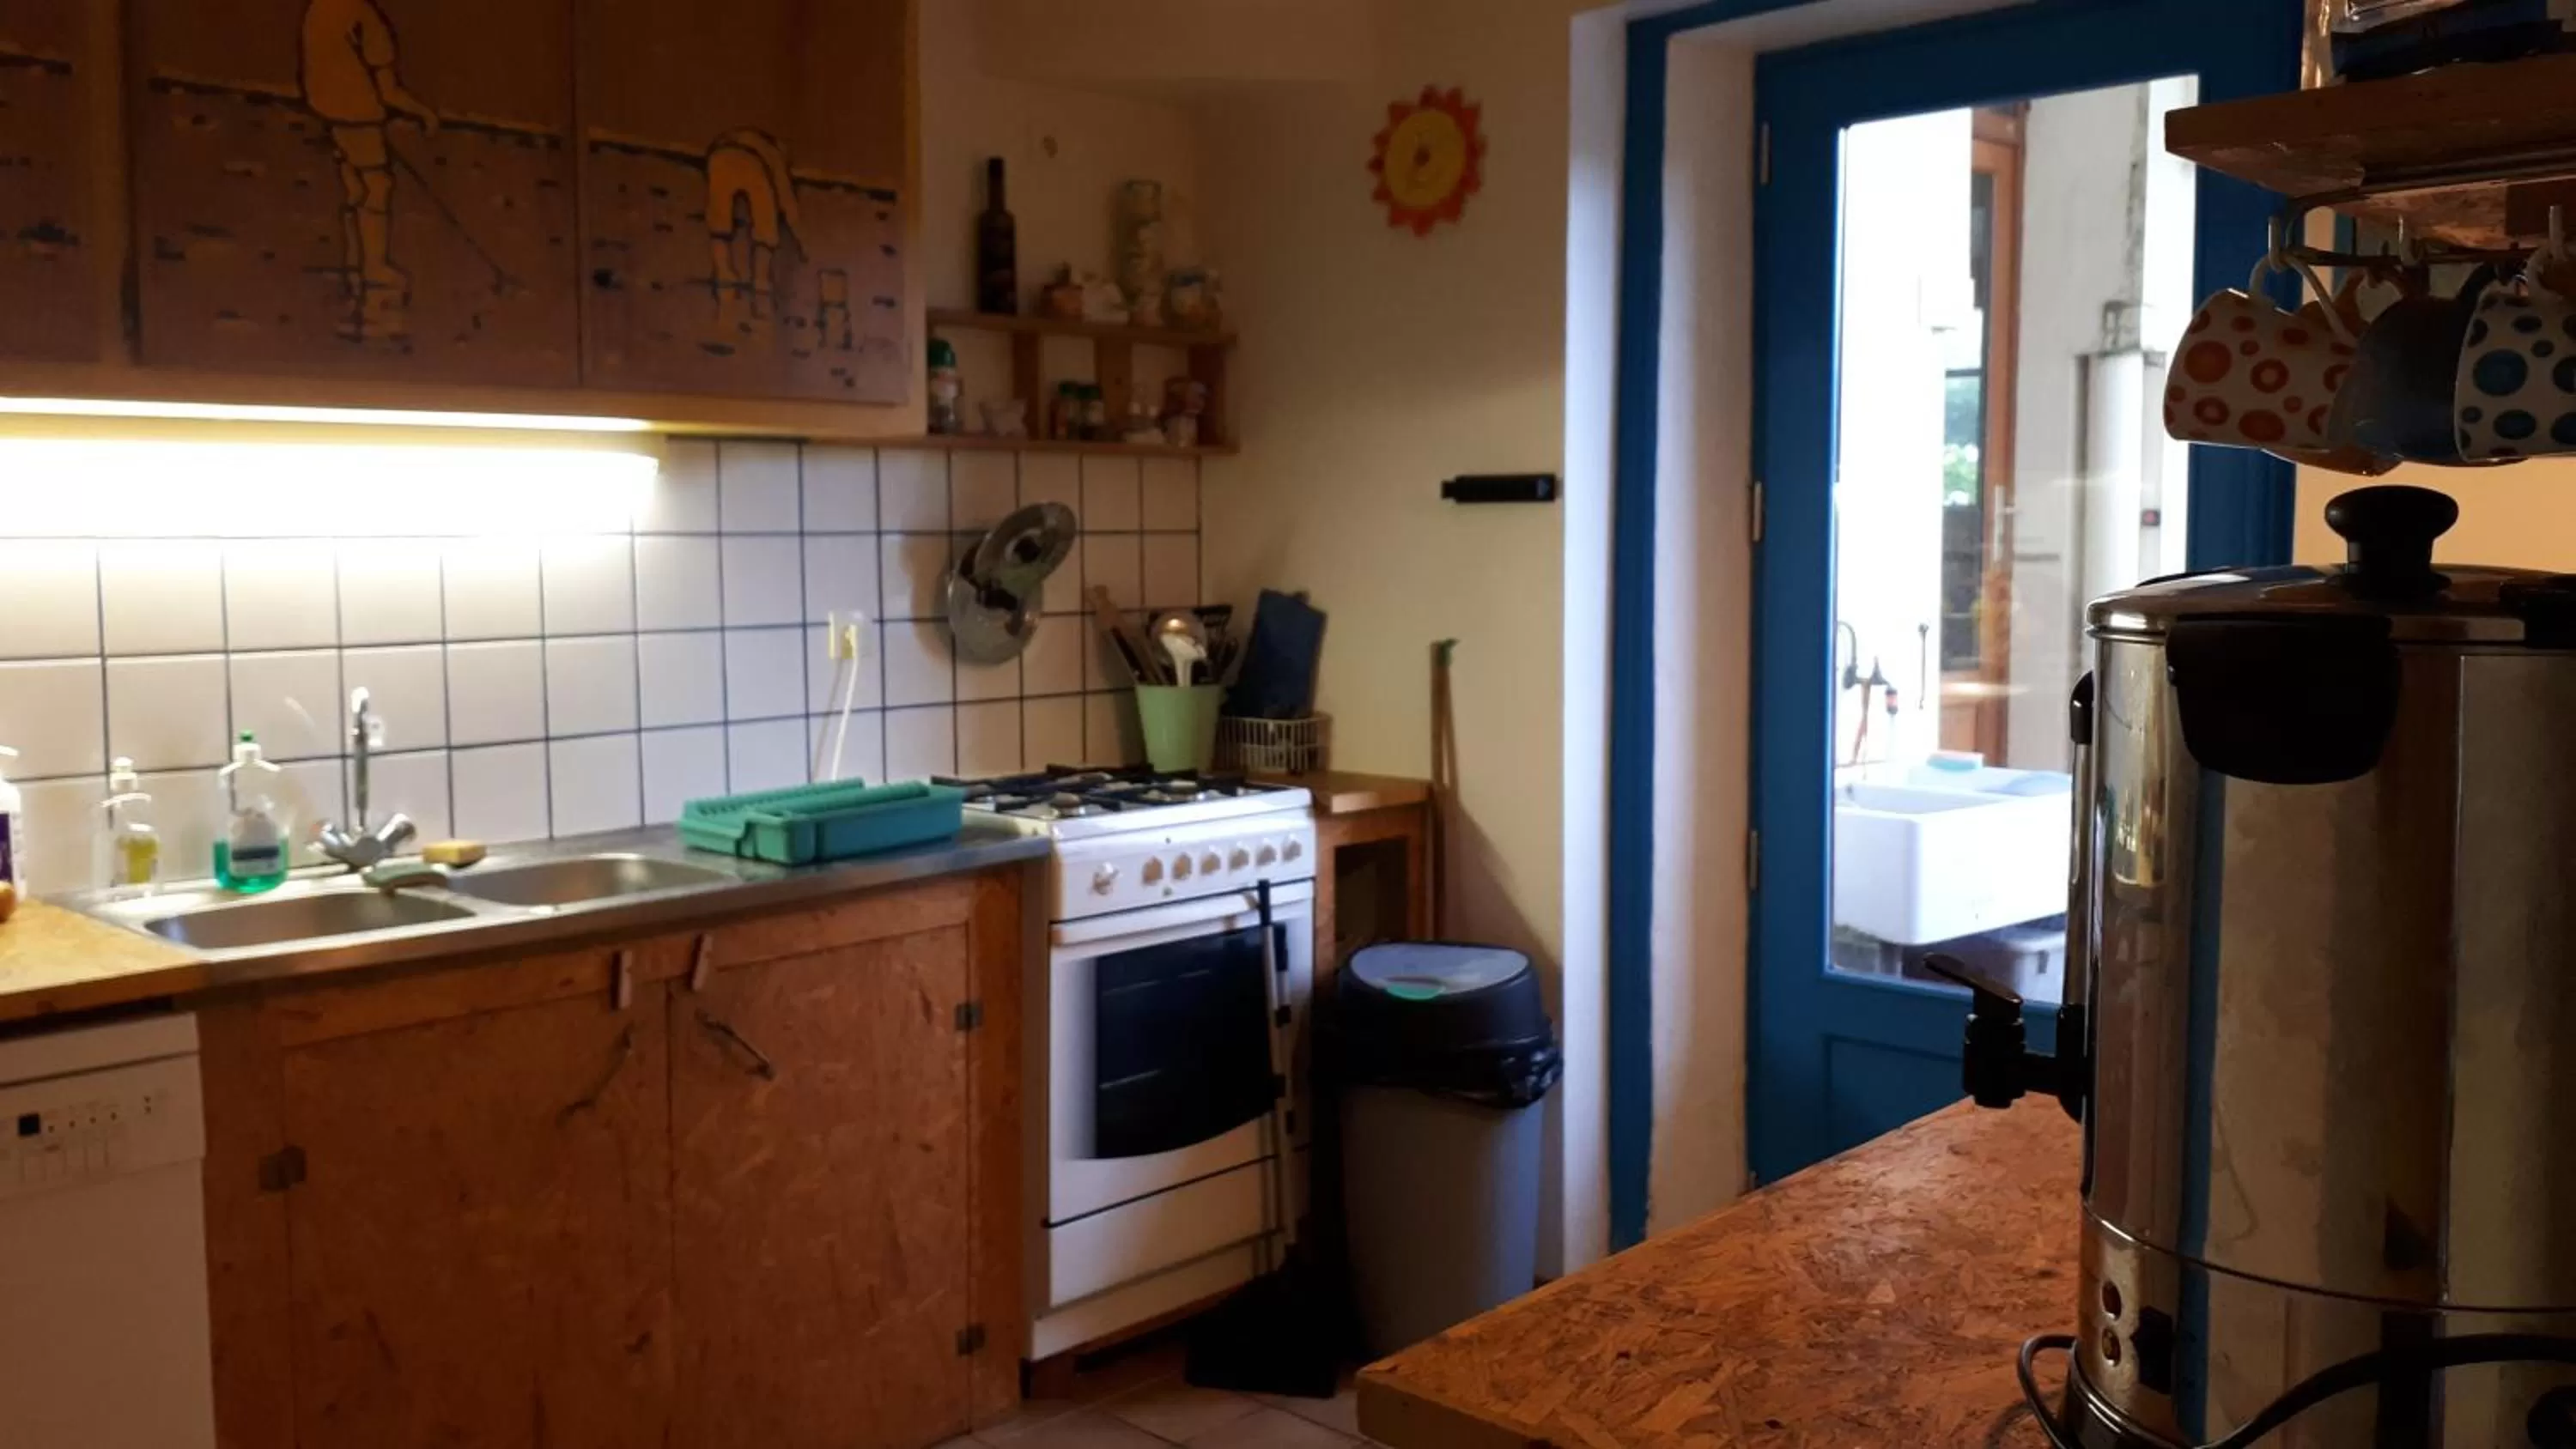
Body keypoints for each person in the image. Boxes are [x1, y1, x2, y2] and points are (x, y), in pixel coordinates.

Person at [300, 0, 437, 327]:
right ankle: (374, 266)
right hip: (359, 114)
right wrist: (424, 114)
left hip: (328, 110)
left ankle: (354, 263)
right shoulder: (365, 16)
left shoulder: (320, 8)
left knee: (354, 187)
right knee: (377, 186)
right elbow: (389, 91)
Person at [705, 128, 799, 323]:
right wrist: (801, 239)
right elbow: (788, 203)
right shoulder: (776, 157)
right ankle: (761, 279)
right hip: (752, 162)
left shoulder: (749, 138)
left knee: (719, 215)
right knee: (765, 219)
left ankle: (723, 271)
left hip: (719, 156)